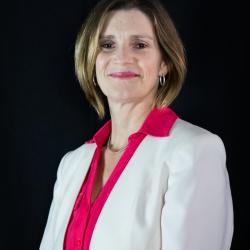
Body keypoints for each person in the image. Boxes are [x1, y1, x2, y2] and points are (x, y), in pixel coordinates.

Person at [39, 0, 234, 249]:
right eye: (107, 45)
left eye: (140, 45)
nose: (121, 57)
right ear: (91, 61)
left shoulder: (196, 151)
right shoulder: (72, 164)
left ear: (164, 63)